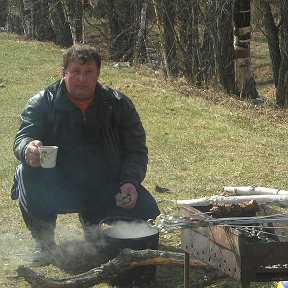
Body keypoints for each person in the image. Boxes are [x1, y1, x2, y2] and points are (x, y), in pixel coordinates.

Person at [11, 44, 160, 267]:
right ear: (63, 73)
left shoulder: (117, 104)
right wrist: (27, 149)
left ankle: (98, 235)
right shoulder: (42, 102)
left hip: (104, 183)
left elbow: (136, 150)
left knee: (146, 208)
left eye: (88, 72)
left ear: (98, 74)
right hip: (58, 185)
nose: (82, 78)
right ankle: (44, 244)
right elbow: (23, 137)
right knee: (26, 171)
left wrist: (130, 181)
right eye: (76, 72)